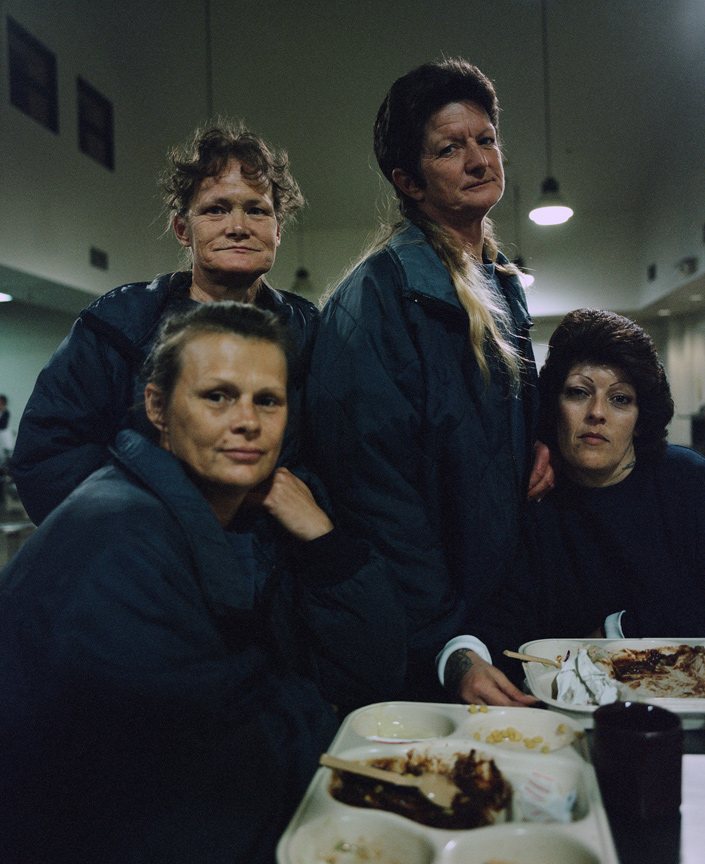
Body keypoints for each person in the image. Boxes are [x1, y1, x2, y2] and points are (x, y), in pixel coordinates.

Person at [0, 301, 404, 864]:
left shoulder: (230, 521)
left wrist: (324, 541)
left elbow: (375, 668)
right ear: (157, 408)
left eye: (268, 400)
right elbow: (219, 762)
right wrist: (322, 719)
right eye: (218, 396)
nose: (247, 421)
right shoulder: (120, 538)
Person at [305, 58, 550, 702]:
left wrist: (543, 438)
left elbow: (500, 426)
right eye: (450, 148)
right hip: (422, 643)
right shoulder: (377, 299)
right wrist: (450, 644)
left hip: (496, 620)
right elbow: (376, 497)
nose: (478, 159)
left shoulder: (501, 284)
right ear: (408, 181)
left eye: (486, 139)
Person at [11, 122, 317, 525]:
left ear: (277, 231)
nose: (238, 227)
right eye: (216, 209)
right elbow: (48, 460)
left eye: (256, 210)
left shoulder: (311, 333)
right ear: (182, 230)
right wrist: (184, 513)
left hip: (276, 559)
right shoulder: (117, 325)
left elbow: (343, 462)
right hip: (146, 555)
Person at [463, 308, 705, 691]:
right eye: (578, 393)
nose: (596, 413)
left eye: (620, 399)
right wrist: (465, 659)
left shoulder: (687, 481)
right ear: (553, 405)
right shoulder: (536, 494)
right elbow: (505, 612)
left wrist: (617, 631)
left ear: (640, 418)